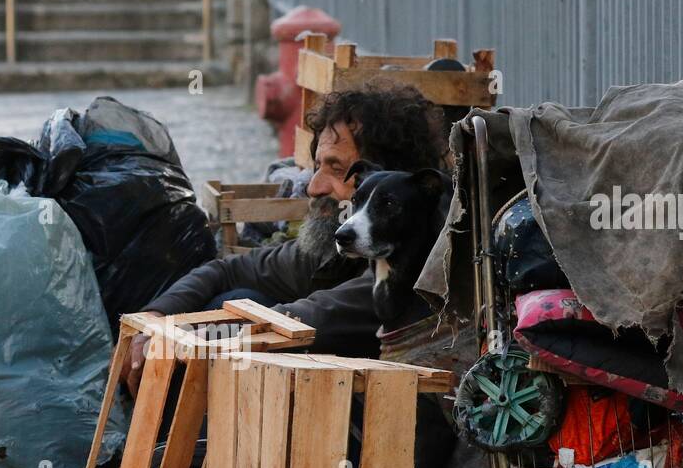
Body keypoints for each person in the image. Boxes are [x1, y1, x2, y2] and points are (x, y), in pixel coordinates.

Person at [125, 83, 449, 395]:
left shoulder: (413, 268)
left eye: (337, 169)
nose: (313, 187)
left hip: (357, 429)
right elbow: (227, 270)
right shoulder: (330, 245)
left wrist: (183, 337)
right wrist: (158, 317)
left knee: (242, 325)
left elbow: (310, 318)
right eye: (317, 166)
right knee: (238, 295)